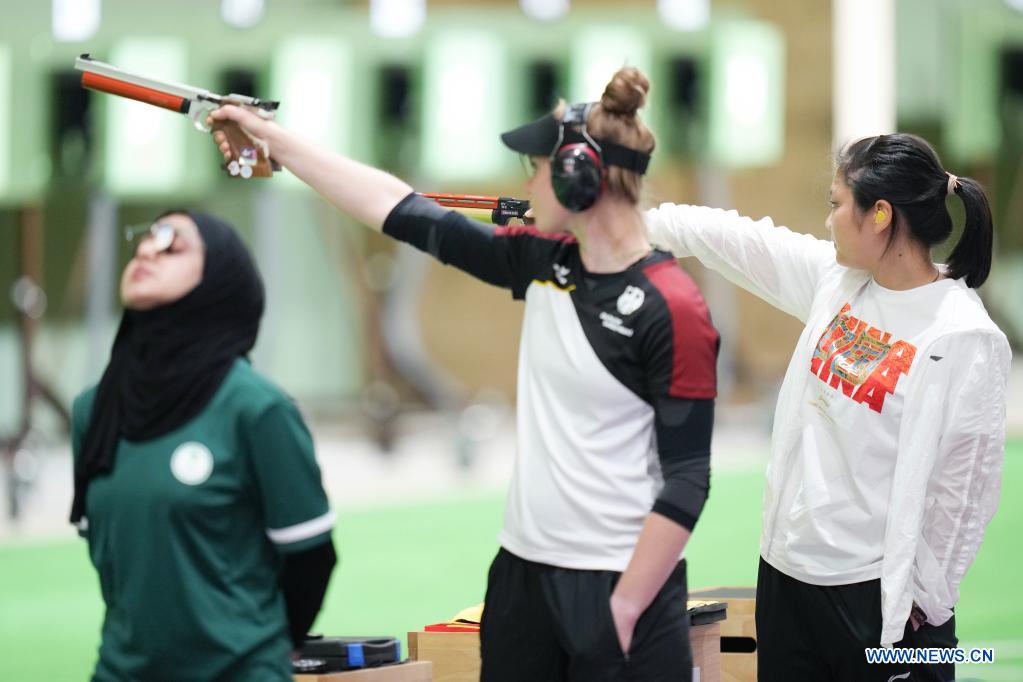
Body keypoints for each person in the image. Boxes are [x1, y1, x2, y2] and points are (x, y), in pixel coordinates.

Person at [210, 66, 719, 681]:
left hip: (619, 585)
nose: (526, 180)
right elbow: (397, 209)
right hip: (522, 576)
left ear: (576, 174)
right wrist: (274, 138)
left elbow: (687, 479)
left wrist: (626, 605)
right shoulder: (542, 260)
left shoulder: (673, 306)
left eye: (536, 166)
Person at [644, 133, 1011, 681]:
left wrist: (923, 608)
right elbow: (730, 237)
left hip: (882, 611)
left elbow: (964, 495)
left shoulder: (961, 336)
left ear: (880, 214)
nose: (828, 219)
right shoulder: (837, 282)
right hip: (788, 579)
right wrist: (624, 226)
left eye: (837, 203)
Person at [69, 210, 337, 681]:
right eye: (144, 242)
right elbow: (114, 565)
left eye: (173, 247)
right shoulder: (95, 411)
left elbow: (310, 559)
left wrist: (255, 651)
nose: (147, 250)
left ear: (219, 281)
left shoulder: (256, 409)